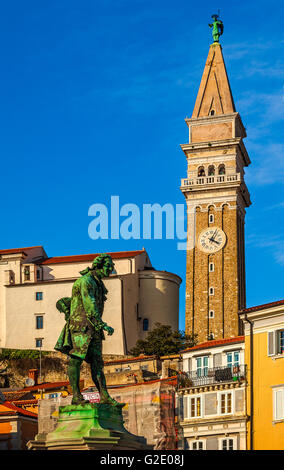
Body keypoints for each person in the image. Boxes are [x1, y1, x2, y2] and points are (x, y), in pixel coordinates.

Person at [55, 253, 118, 405]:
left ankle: (104, 396)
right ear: (99, 266)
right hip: (80, 327)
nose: (111, 270)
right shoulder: (86, 281)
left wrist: (99, 325)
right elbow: (90, 305)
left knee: (97, 363)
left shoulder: (98, 284)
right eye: (109, 267)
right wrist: (103, 325)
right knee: (76, 360)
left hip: (93, 327)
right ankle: (76, 396)